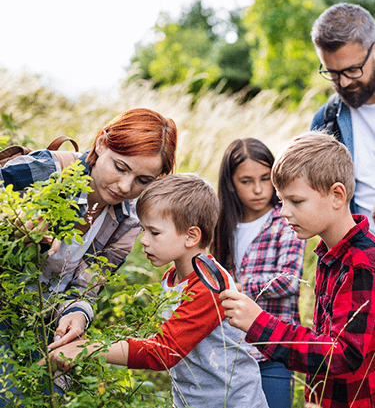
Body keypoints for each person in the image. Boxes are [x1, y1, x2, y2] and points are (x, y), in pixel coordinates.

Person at [0, 108, 177, 403]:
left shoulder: (128, 220)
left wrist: (77, 315)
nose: (125, 186)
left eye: (142, 180)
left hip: (39, 324)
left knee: (49, 396)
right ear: (101, 144)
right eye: (120, 167)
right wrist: (10, 218)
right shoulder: (46, 171)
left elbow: (87, 286)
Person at [49, 173, 269, 408]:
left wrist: (87, 349)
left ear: (191, 236)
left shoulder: (208, 285)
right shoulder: (172, 278)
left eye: (154, 232)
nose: (143, 240)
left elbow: (163, 352)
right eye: (143, 229)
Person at [220, 132, 375, 408]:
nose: (284, 212)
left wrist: (260, 324)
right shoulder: (331, 255)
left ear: (337, 195)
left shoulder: (361, 263)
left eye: (296, 201)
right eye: (281, 201)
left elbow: (341, 355)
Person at [211, 138, 305, 408]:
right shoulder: (222, 225)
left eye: (266, 179)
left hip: (272, 350)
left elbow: (289, 280)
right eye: (246, 181)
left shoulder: (287, 221)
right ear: (230, 183)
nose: (258, 189)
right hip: (230, 352)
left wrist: (237, 287)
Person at [310, 3, 375, 235]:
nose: (345, 83)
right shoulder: (325, 121)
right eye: (333, 74)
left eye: (352, 70)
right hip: (361, 264)